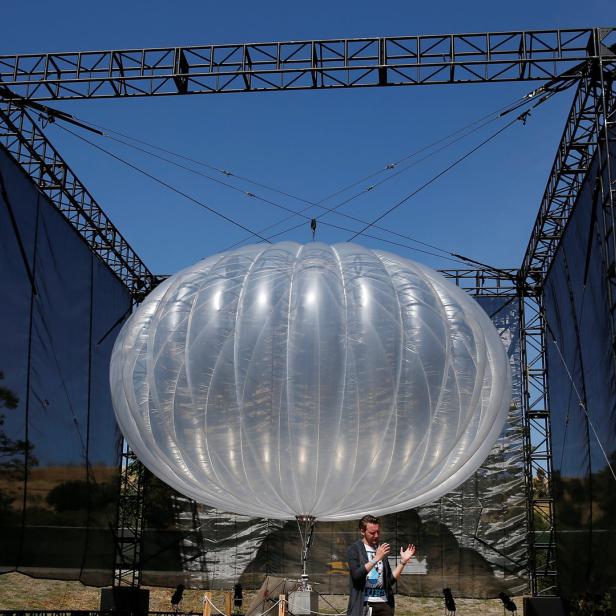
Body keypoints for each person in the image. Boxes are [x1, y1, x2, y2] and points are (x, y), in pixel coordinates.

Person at [346, 514, 416, 616]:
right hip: (364, 604)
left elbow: (389, 581)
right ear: (362, 531)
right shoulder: (354, 549)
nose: (376, 535)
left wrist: (403, 562)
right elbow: (356, 575)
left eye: (378, 532)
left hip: (384, 605)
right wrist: (376, 558)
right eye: (372, 533)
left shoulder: (380, 550)